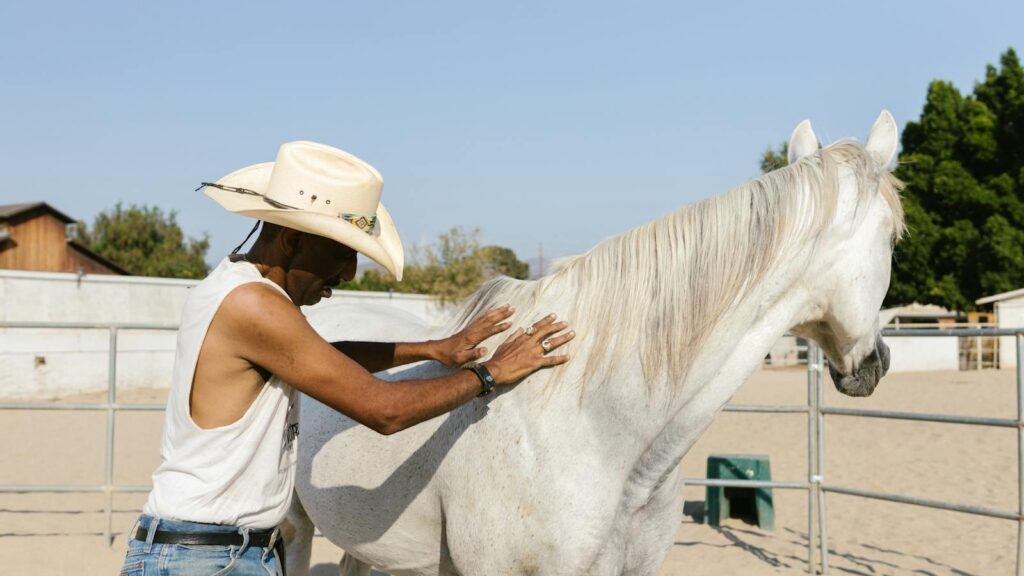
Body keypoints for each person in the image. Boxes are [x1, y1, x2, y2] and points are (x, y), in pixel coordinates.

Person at [118, 141, 574, 576]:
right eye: (341, 251)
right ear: (291, 240)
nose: (349, 273)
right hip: (207, 559)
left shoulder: (234, 287)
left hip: (211, 552)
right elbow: (384, 410)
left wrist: (431, 349)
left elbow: (322, 359)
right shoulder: (253, 304)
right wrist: (489, 373)